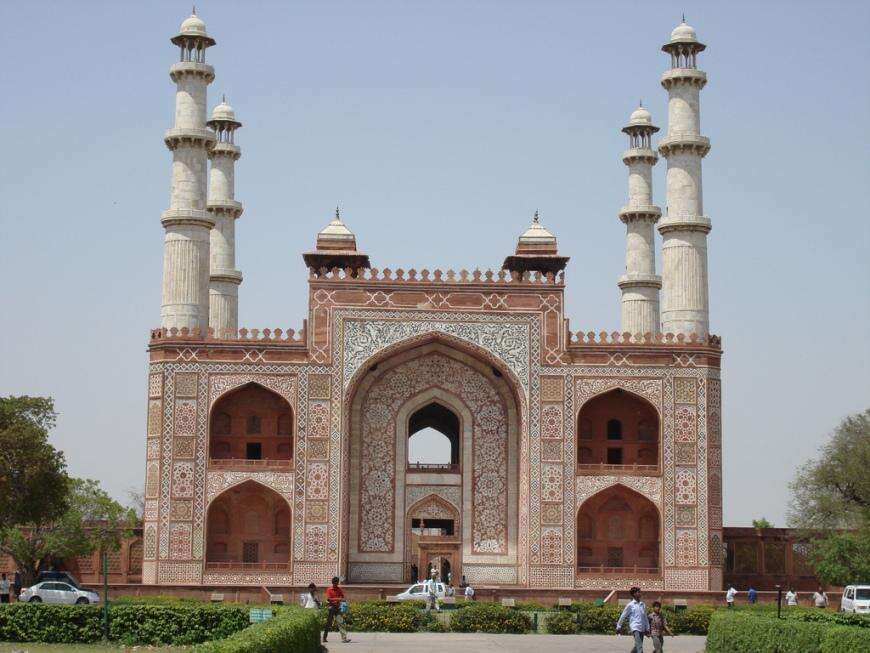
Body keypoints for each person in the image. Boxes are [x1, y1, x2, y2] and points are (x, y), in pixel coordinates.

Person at [616, 586, 650, 653]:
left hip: (642, 627)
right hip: (635, 627)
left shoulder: (643, 604)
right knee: (639, 647)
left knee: (637, 645)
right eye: (638, 592)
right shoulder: (630, 605)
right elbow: (623, 615)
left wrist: (647, 628)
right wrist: (618, 627)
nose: (640, 593)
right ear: (634, 594)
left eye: (640, 592)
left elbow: (645, 617)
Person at [323, 576, 350, 643]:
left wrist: (342, 600)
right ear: (333, 583)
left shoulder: (339, 589)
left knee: (341, 622)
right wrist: (338, 599)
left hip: (337, 608)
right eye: (336, 583)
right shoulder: (329, 589)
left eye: (337, 583)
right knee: (328, 623)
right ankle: (324, 637)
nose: (337, 584)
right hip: (331, 608)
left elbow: (342, 597)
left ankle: (344, 638)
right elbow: (329, 599)